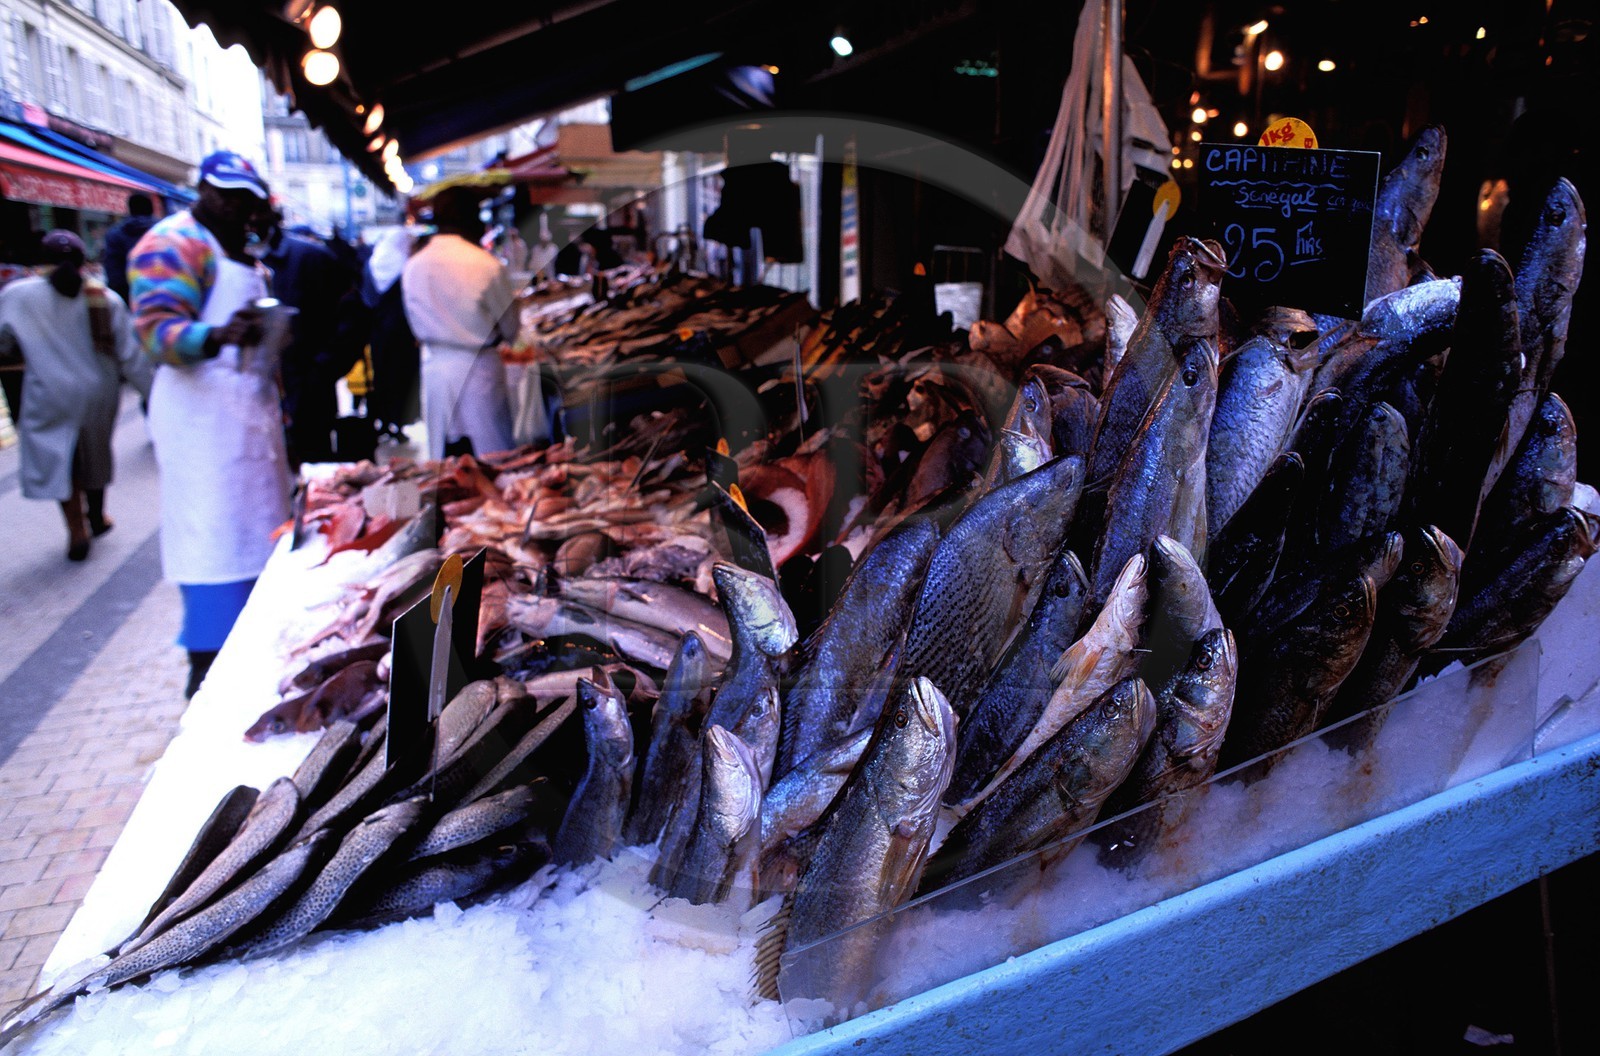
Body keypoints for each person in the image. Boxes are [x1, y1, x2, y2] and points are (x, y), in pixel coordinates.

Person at [128, 151, 292, 699]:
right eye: (226, 196)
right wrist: (217, 336)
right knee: (214, 545)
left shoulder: (240, 249)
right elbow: (155, 333)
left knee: (257, 542)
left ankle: (251, 665)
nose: (236, 208)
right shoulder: (171, 244)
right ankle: (206, 680)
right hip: (201, 424)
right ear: (204, 190)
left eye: (245, 200)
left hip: (246, 411)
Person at [0, 230, 151, 560]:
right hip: (99, 391)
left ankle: (76, 529)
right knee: (94, 455)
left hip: (47, 393)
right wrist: (153, 394)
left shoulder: (16, 296)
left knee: (63, 460)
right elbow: (131, 355)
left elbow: (4, 344)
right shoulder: (105, 298)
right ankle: (96, 516)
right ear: (84, 261)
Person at [401, 187, 520, 459]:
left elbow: (412, 321)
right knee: (495, 458)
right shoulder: (486, 264)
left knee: (445, 460)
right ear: (471, 219)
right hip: (480, 367)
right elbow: (510, 326)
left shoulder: (414, 265)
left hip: (436, 366)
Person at [257, 206, 365, 466]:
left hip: (306, 397)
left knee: (313, 470)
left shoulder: (310, 258)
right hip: (251, 405)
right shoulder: (217, 262)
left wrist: (323, 371)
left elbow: (353, 316)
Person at [361, 225, 421, 440]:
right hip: (402, 333)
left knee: (381, 377)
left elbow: (366, 299)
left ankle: (383, 421)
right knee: (401, 378)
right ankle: (398, 423)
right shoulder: (406, 266)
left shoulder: (372, 264)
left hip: (378, 333)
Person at [100, 193, 157, 303]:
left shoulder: (114, 234)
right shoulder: (165, 230)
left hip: (129, 299)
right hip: (163, 295)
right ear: (151, 208)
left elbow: (114, 274)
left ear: (130, 209)